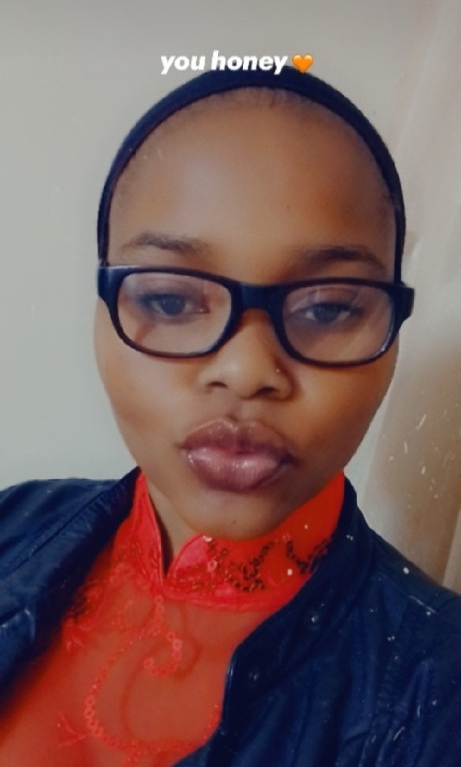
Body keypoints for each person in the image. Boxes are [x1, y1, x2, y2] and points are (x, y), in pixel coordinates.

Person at [0, 66, 459, 767]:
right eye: (171, 301)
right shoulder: (12, 523)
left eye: (326, 308)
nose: (246, 371)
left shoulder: (438, 695)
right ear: (103, 311)